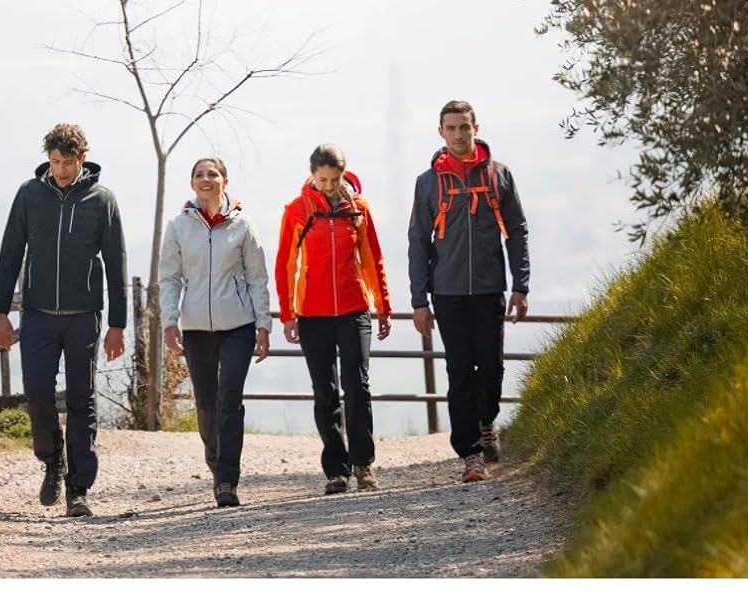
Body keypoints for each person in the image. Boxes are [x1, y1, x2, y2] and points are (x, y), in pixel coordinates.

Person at [0, 123, 127, 517]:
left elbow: (116, 263)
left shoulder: (102, 200)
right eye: (55, 162)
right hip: (37, 315)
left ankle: (78, 489)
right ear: (47, 159)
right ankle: (53, 461)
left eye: (68, 163)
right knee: (37, 392)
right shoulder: (29, 195)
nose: (62, 171)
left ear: (82, 159)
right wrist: (0, 313)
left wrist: (117, 324)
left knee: (82, 399)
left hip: (83, 316)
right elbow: (10, 254)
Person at [408, 100, 530, 482]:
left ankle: (486, 421)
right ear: (441, 132)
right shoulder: (428, 182)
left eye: (464, 127)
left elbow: (517, 231)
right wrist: (419, 300)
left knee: (491, 368)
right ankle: (471, 453)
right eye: (451, 128)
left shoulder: (499, 175)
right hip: (448, 293)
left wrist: (521, 286)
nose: (458, 134)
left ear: (476, 127)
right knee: (459, 370)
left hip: (490, 289)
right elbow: (418, 242)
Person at [275, 144, 392, 495]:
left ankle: (363, 463)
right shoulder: (297, 210)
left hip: (355, 309)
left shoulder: (358, 208)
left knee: (358, 385)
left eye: (334, 179)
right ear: (312, 174)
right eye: (322, 179)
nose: (328, 186)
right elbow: (285, 265)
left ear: (343, 174)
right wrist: (288, 314)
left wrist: (383, 306)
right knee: (325, 392)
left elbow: (372, 258)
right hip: (313, 314)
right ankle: (336, 471)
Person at [159, 157, 272, 508]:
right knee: (206, 405)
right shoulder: (178, 226)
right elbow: (170, 278)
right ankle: (215, 462)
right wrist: (169, 321)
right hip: (196, 329)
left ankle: (227, 480)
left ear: (225, 180)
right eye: (199, 174)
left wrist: (263, 324)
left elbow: (257, 278)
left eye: (212, 174)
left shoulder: (243, 224)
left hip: (238, 326)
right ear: (192, 183)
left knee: (229, 400)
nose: (205, 179)